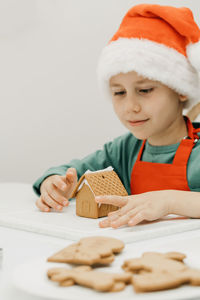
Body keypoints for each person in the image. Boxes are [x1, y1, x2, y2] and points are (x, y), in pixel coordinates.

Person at [33, 3, 200, 229]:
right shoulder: (123, 151)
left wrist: (169, 201)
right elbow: (72, 171)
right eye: (119, 92)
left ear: (180, 89)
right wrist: (56, 184)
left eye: (145, 90)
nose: (130, 106)